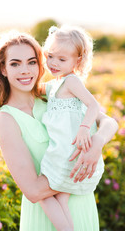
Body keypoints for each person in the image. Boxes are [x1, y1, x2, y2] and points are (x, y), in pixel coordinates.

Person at [0, 29, 118, 231]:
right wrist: (75, 171)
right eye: (15, 63)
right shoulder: (6, 119)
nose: (25, 70)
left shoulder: (53, 94)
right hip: (46, 218)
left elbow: (109, 122)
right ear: (3, 69)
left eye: (32, 62)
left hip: (81, 206)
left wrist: (97, 143)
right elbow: (33, 191)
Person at [38, 25, 104, 231]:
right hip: (64, 149)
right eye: (50, 56)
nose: (53, 63)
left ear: (78, 61)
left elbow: (94, 105)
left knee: (50, 196)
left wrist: (85, 127)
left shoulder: (71, 80)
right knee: (61, 201)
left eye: (62, 59)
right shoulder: (56, 83)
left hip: (69, 150)